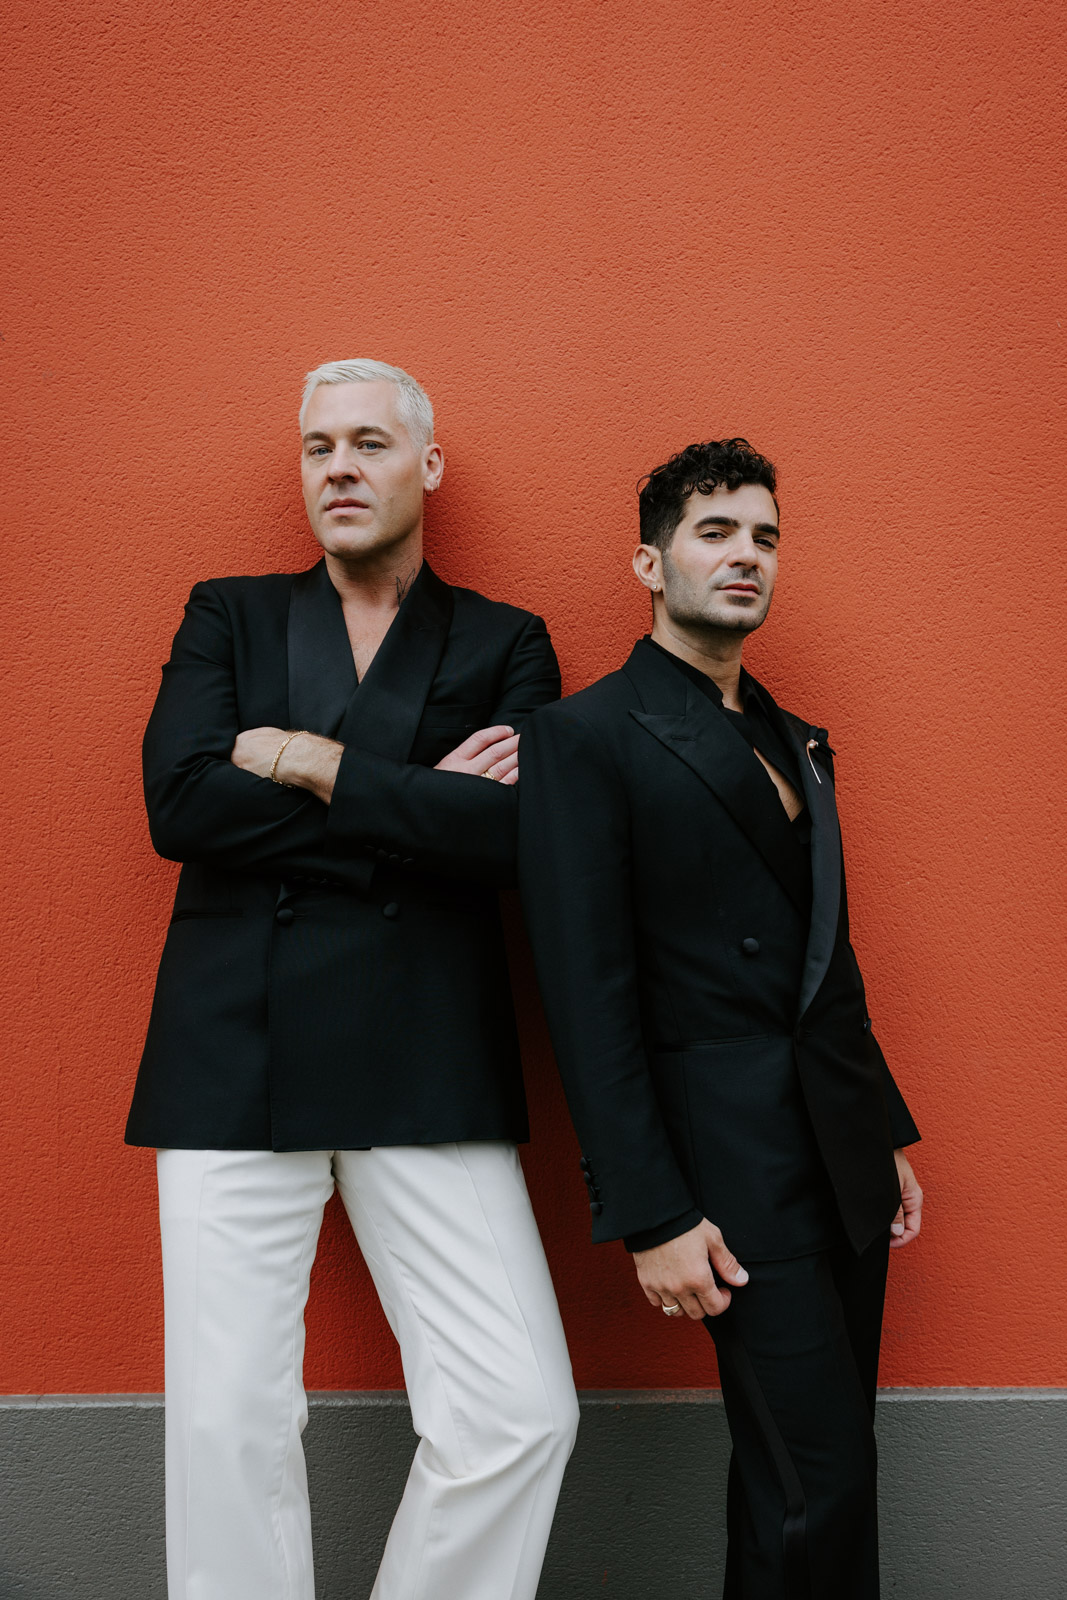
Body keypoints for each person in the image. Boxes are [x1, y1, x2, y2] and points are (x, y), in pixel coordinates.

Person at [126, 358, 578, 1600]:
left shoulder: (504, 641)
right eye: (318, 445)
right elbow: (180, 803)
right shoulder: (226, 613)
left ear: (425, 465)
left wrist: (308, 760)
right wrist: (416, 799)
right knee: (227, 1426)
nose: (339, 466)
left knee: (520, 1410)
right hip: (234, 1051)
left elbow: (508, 843)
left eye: (370, 443)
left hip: (422, 1048)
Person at [517, 437, 922, 1599]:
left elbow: (819, 952)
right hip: (722, 1164)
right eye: (714, 531)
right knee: (821, 1474)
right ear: (646, 563)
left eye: (763, 537)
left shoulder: (794, 734)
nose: (744, 555)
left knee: (794, 1470)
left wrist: (878, 1120)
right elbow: (584, 998)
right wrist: (648, 1211)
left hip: (831, 1143)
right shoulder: (583, 737)